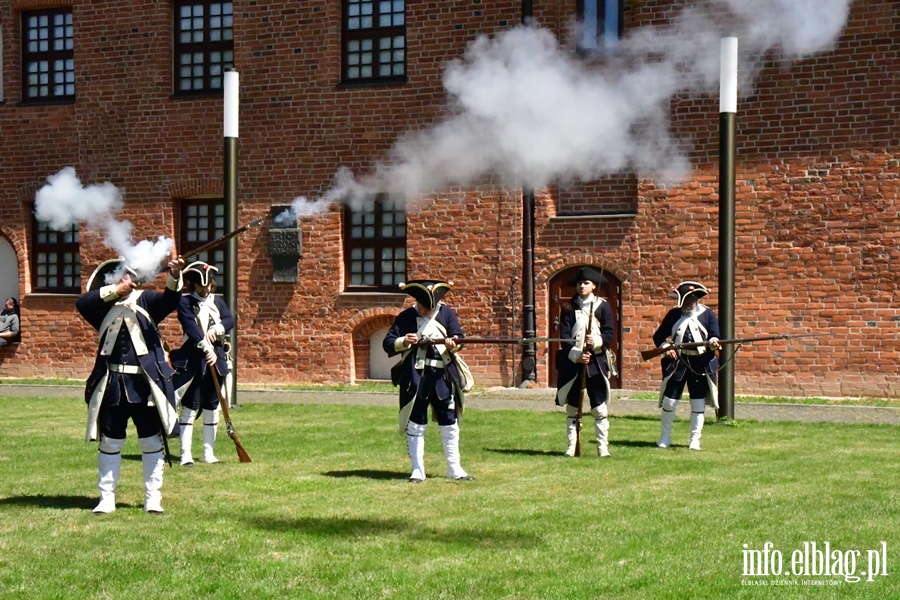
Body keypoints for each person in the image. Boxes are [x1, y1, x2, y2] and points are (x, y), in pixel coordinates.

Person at [75, 256, 184, 513]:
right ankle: (107, 498)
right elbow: (82, 302)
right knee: (111, 443)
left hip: (145, 386)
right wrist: (116, 291)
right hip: (112, 386)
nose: (128, 279)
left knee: (150, 442)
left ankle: (153, 498)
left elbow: (170, 300)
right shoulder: (100, 308)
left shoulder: (146, 301)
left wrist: (175, 275)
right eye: (123, 277)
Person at [383, 280, 473, 482]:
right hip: (416, 377)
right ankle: (417, 469)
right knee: (416, 423)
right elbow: (388, 343)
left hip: (442, 376)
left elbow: (458, 336)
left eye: (431, 306)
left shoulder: (447, 313)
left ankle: (454, 467)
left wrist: (453, 343)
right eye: (425, 306)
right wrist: (405, 341)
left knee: (449, 421)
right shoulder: (406, 316)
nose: (428, 309)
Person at [170, 261, 234, 466]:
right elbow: (191, 327)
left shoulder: (217, 301)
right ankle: (185, 454)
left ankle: (208, 453)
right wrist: (205, 347)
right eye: (201, 286)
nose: (205, 290)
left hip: (216, 359)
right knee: (190, 406)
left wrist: (217, 330)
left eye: (208, 286)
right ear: (193, 285)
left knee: (212, 406)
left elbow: (229, 319)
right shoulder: (185, 302)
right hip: (194, 359)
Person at [652, 281, 721, 451]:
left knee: (698, 403)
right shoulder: (674, 314)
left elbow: (715, 336)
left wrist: (713, 342)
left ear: (696, 300)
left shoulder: (708, 314)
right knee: (669, 401)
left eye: (689, 303)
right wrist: (666, 347)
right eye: (684, 303)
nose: (686, 306)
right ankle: (665, 437)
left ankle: (695, 440)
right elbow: (659, 336)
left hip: (700, 363)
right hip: (679, 362)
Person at [555, 266, 616, 457]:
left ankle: (602, 448)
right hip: (574, 361)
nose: (582, 286)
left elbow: (609, 333)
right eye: (580, 283)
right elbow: (564, 336)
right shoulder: (568, 307)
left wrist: (596, 341)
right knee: (573, 407)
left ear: (593, 286)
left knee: (598, 406)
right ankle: (571, 447)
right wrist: (577, 354)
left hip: (596, 361)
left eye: (586, 283)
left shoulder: (602, 306)